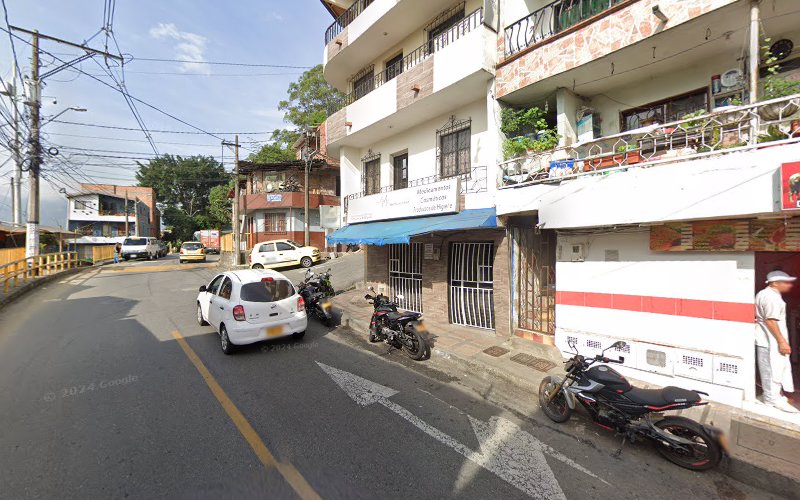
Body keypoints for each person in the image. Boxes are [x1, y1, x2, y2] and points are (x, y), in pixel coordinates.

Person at [755, 270, 797, 413]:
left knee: (776, 368)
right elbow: (770, 321)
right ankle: (771, 400)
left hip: (770, 340)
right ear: (775, 283)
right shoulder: (770, 297)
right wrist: (782, 342)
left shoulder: (767, 294)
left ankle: (774, 396)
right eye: (786, 282)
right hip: (770, 341)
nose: (789, 285)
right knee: (772, 370)